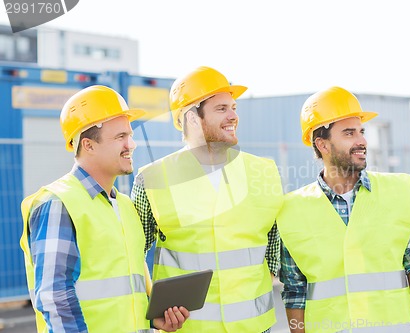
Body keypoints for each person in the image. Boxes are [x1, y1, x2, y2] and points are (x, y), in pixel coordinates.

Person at [20, 85, 189, 333]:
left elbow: (126, 291)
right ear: (88, 145)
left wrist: (153, 320)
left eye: (130, 135)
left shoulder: (125, 206)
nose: (131, 144)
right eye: (120, 137)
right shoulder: (58, 203)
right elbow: (54, 297)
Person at [132, 66, 283, 333]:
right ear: (192, 118)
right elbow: (132, 256)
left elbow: (274, 251)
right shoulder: (153, 179)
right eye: (222, 108)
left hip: (255, 328)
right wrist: (152, 311)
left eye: (234, 107)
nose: (233, 116)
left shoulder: (263, 172)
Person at [277, 86, 410, 333]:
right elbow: (294, 289)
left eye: (361, 131)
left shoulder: (399, 191)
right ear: (323, 144)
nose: (361, 141)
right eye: (349, 133)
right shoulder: (291, 209)